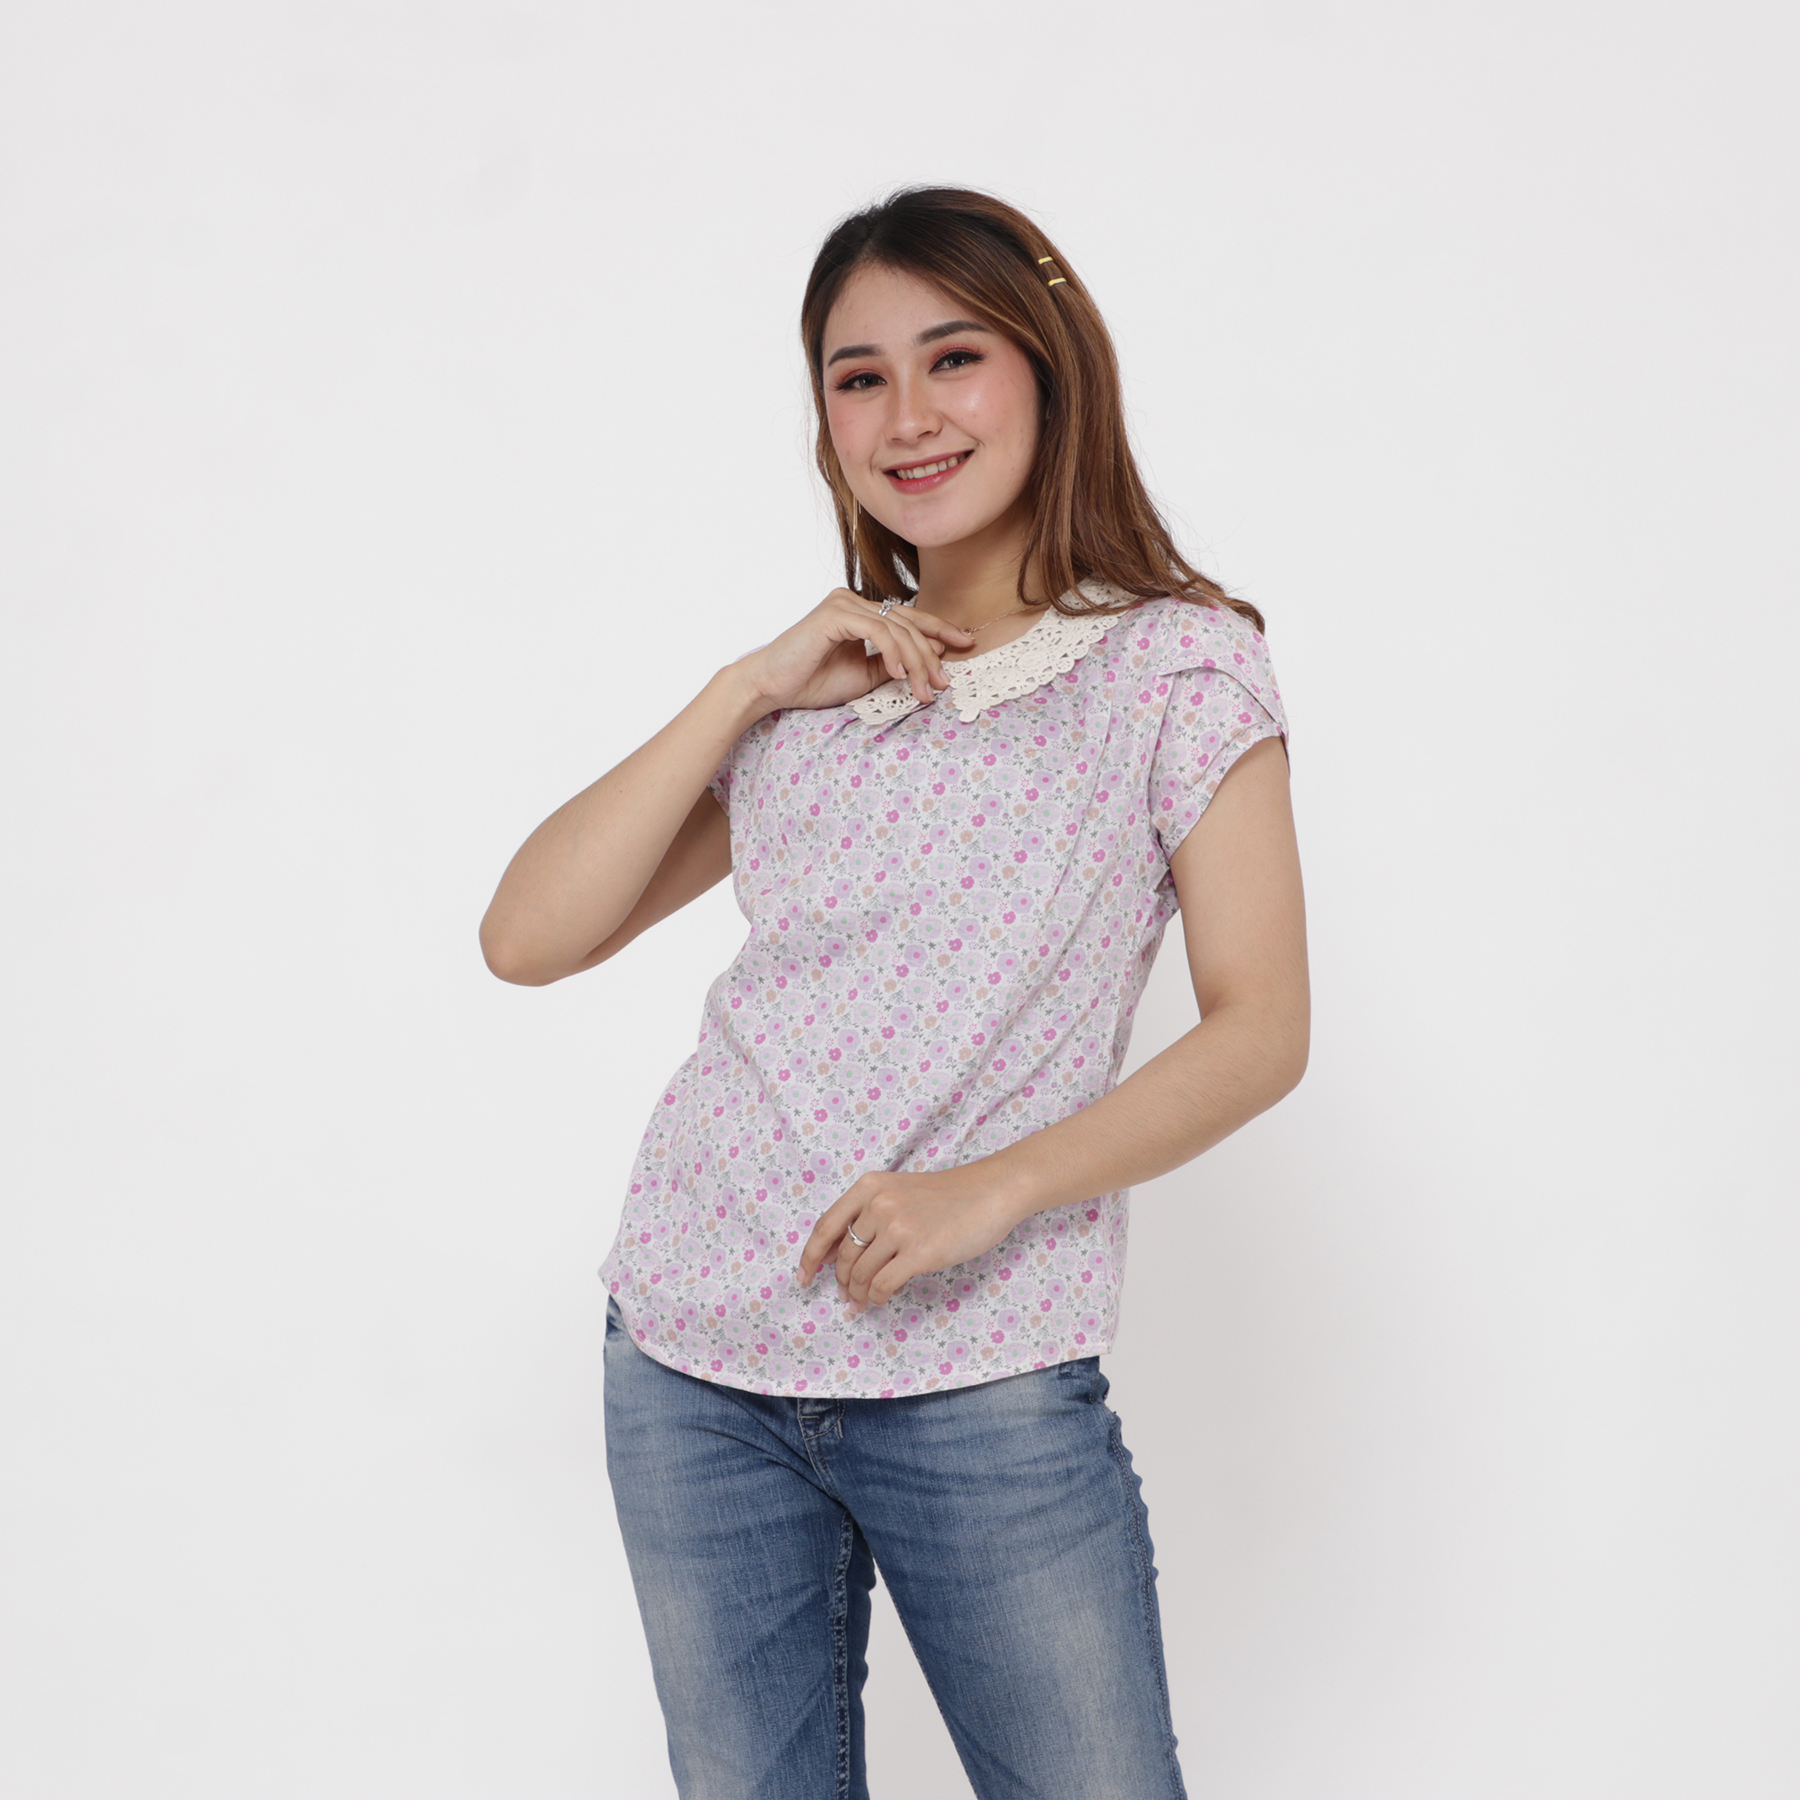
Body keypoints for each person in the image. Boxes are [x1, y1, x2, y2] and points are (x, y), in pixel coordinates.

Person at [479, 186, 1309, 1800]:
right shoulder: (826, 691)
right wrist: (746, 685)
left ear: (1051, 371)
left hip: (982, 1369)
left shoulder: (1174, 667)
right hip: (693, 1355)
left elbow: (1261, 1026)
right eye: (859, 378)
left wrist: (986, 1192)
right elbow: (528, 935)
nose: (909, 414)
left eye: (955, 357)